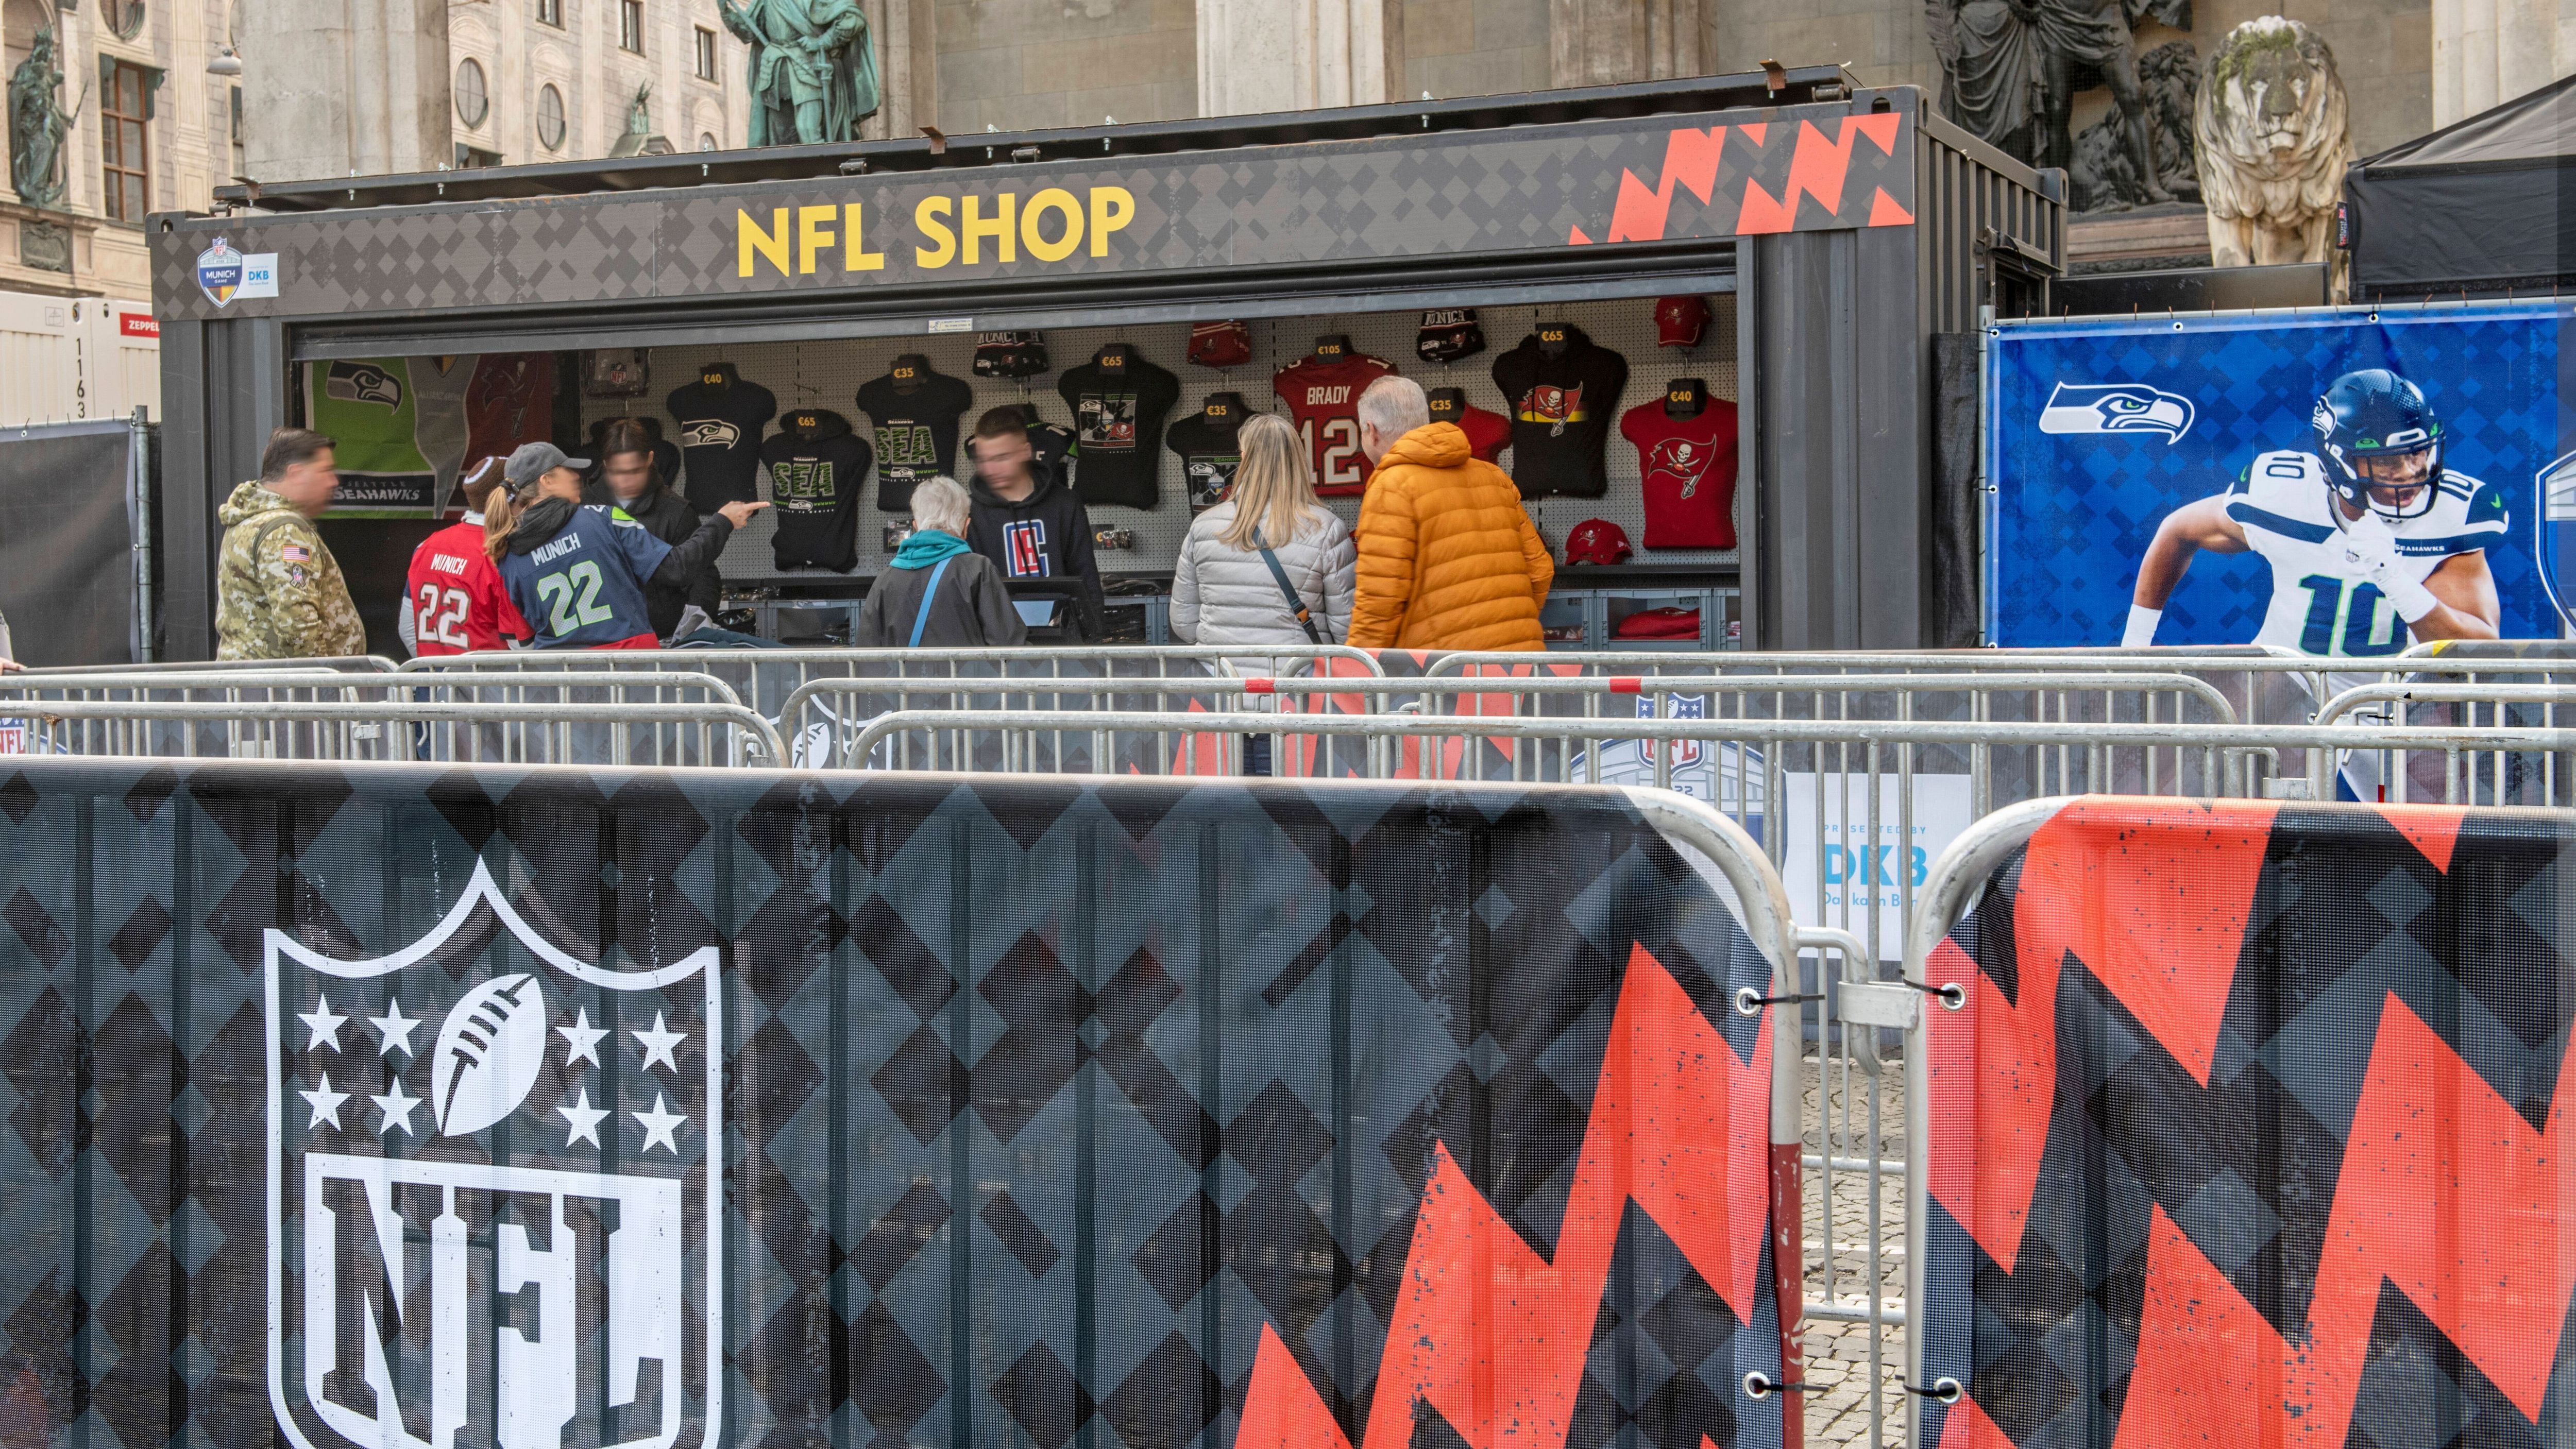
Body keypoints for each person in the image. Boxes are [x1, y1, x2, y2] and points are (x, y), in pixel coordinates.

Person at [2125, 368, 2504, 655]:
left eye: (2417, 453)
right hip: (2291, 678)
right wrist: (2135, 646)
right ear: (2341, 461)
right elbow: (2177, 530)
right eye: (2388, 462)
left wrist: (2397, 581)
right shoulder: (2284, 496)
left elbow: (2479, 650)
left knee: (2442, 748)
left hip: (2398, 689)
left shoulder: (2450, 513)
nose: (2410, 474)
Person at [1171, 412, 1357, 775]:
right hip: (1296, 699)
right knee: (1294, 815)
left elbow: (1183, 623)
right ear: (1298, 460)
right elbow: (1346, 631)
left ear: (1245, 459)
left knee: (1230, 813)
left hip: (1221, 698)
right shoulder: (1326, 529)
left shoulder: (1204, 526)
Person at [485, 441, 764, 650]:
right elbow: (678, 568)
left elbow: (525, 638)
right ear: (547, 481)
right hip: (629, 670)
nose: (576, 477)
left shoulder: (506, 555)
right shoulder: (603, 518)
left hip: (564, 683)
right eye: (567, 470)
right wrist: (723, 521)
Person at [1345, 376, 1553, 653]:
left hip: (1443, 671)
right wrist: (1509, 628)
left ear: (1371, 431)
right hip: (1518, 660)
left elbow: (1380, 600)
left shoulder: (1391, 486)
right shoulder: (1494, 476)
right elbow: (1541, 570)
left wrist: (1358, 673)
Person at [215, 428, 367, 660]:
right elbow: (297, 625)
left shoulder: (248, 519)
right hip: (286, 689)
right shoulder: (285, 530)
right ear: (296, 473)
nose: (333, 481)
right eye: (325, 471)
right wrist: (328, 681)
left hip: (254, 684)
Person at [965, 405, 1105, 640]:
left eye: (1001, 458)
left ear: (1025, 451)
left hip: (1061, 641)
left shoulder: (1065, 503)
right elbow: (967, 591)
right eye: (985, 460)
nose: (992, 469)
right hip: (995, 645)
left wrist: (1095, 638)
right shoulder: (969, 511)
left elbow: (1085, 574)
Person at [585, 418, 720, 640]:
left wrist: (698, 617)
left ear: (649, 459)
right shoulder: (581, 507)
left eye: (635, 471)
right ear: (606, 464)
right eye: (619, 472)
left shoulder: (676, 511)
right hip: (596, 640)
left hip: (659, 639)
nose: (627, 480)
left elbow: (702, 574)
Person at [855, 476, 1027, 647]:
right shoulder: (977, 570)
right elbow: (1008, 645)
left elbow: (866, 654)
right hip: (966, 674)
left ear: (915, 527)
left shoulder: (885, 580)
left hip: (904, 675)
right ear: (965, 527)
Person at [400, 457, 533, 657]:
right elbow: (522, 647)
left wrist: (438, 675)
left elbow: (407, 628)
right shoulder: (501, 555)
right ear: (514, 498)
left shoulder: (425, 547)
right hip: (489, 686)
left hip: (434, 684)